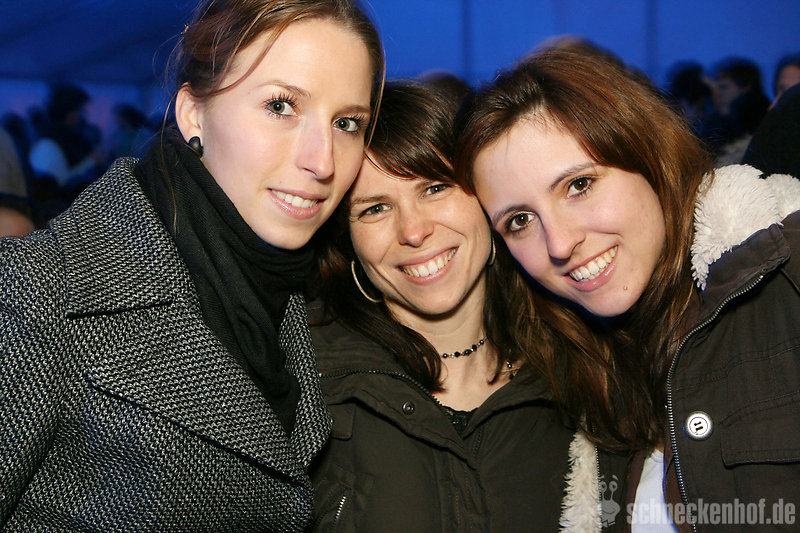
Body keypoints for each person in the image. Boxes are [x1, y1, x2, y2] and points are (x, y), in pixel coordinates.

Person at [0, 0, 384, 530]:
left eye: (347, 123)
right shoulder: (38, 289)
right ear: (192, 113)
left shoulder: (307, 303)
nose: (322, 161)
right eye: (281, 106)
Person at [457, 46, 800, 531]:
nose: (560, 243)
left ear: (649, 156)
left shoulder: (785, 280)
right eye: (520, 221)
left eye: (579, 185)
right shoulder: (579, 376)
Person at [308, 81, 617, 532]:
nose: (413, 231)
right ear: (348, 242)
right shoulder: (304, 382)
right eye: (375, 209)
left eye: (435, 188)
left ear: (488, 200)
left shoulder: (585, 368)